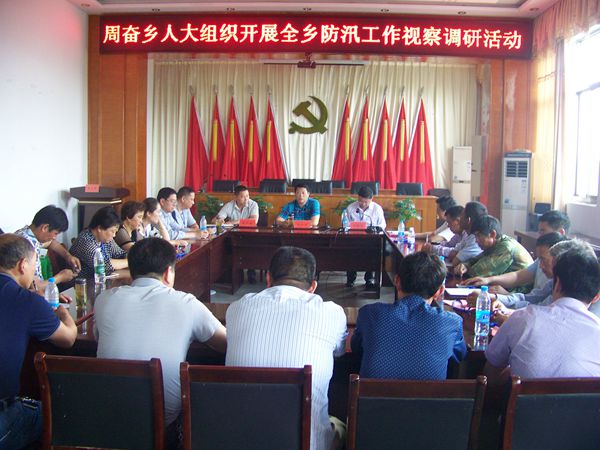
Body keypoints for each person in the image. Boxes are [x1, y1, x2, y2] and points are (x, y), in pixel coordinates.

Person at [94, 238, 227, 447]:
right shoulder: (187, 303)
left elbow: (98, 337)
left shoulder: (104, 299)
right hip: (163, 426)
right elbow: (225, 344)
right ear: (168, 273)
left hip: (106, 419)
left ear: (132, 271)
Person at [225, 246, 347, 450]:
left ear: (268, 278)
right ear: (313, 286)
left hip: (239, 440)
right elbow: (340, 353)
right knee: (341, 427)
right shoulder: (332, 313)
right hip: (306, 444)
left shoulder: (236, 308)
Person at [0, 234, 77, 449]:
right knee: (62, 414)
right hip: (4, 414)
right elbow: (68, 338)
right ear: (22, 265)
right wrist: (60, 311)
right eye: (34, 265)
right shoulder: (27, 301)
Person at [484, 248, 600, 385]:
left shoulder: (523, 318)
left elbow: (491, 370)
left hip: (522, 399)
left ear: (557, 284)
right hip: (585, 400)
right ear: (596, 296)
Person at [352, 251, 466, 380]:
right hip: (431, 394)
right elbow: (459, 355)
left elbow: (357, 348)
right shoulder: (451, 322)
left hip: (373, 393)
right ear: (439, 291)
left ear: (397, 281)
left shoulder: (370, 314)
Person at [464, 209, 571, 292]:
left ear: (560, 233)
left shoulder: (568, 267)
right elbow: (518, 276)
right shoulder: (541, 260)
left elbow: (479, 271)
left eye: (543, 232)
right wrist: (488, 280)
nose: (539, 236)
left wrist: (507, 295)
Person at [466, 232, 567, 313]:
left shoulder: (566, 288)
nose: (540, 266)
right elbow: (528, 296)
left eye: (544, 260)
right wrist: (493, 296)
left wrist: (507, 310)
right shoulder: (552, 282)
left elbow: (539, 310)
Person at [15, 205, 81, 289]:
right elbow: (36, 287)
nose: (54, 237)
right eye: (55, 233)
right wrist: (60, 277)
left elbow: (51, 243)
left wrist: (68, 256)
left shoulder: (26, 234)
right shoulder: (26, 246)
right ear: (45, 227)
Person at [455, 215, 532, 279]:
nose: (476, 240)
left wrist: (467, 268)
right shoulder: (494, 244)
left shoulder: (506, 247)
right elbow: (476, 259)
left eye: (478, 236)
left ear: (492, 234)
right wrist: (465, 265)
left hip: (519, 290)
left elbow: (480, 272)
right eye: (475, 236)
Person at [345, 186, 386, 289]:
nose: (362, 204)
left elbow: (382, 225)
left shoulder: (377, 209)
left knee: (373, 253)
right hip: (354, 239)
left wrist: (373, 229)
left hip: (371, 240)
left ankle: (369, 279)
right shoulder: (351, 208)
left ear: (371, 199)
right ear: (358, 198)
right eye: (360, 201)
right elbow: (345, 225)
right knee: (349, 252)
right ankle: (350, 279)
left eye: (366, 202)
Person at [69, 206, 128, 279]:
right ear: (100, 228)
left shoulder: (106, 239)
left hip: (101, 280)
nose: (114, 235)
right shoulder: (85, 241)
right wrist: (130, 262)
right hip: (83, 283)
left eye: (115, 232)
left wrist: (128, 257)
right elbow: (104, 264)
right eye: (112, 231)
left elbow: (121, 254)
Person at [446, 201, 486, 267]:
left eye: (461, 216)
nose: (459, 219)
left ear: (468, 220)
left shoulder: (475, 240)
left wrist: (457, 254)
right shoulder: (468, 236)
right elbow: (451, 254)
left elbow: (455, 262)